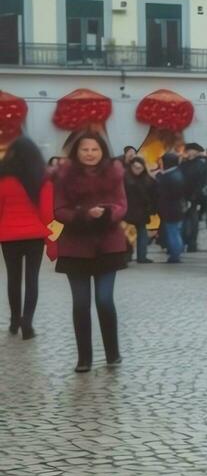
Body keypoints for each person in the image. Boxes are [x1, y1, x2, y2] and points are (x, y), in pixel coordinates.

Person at [53, 132, 127, 372]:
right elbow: (59, 210)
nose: (90, 154)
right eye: (85, 149)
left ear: (102, 151)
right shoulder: (65, 176)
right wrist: (84, 214)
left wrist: (106, 212)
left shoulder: (114, 174)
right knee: (81, 303)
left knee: (105, 300)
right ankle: (84, 357)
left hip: (108, 244)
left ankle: (112, 353)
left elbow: (121, 205)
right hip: (76, 246)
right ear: (77, 151)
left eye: (94, 149)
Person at [0, 137, 53, 340]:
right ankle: (27, 323)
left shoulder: (3, 179)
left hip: (9, 236)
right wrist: (51, 238)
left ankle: (14, 321)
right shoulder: (42, 180)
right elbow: (47, 213)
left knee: (13, 279)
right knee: (32, 280)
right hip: (34, 236)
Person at [123, 157, 156, 264]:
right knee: (129, 235)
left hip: (139, 211)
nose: (138, 170)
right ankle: (133, 256)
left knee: (140, 234)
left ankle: (140, 256)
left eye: (140, 168)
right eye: (135, 167)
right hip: (130, 211)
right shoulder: (126, 178)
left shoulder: (145, 179)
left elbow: (152, 195)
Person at [155, 152, 186, 263]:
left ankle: (175, 254)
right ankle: (177, 252)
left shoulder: (168, 177)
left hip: (170, 209)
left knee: (173, 232)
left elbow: (162, 193)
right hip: (176, 208)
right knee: (176, 231)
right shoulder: (177, 173)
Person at [179, 143, 207, 251]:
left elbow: (201, 183)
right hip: (184, 197)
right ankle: (184, 242)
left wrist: (195, 198)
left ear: (196, 152)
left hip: (195, 198)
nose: (188, 153)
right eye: (187, 151)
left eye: (190, 150)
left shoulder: (201, 165)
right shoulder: (184, 164)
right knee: (185, 220)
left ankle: (191, 243)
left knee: (192, 221)